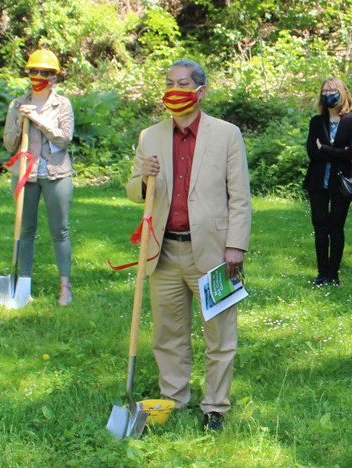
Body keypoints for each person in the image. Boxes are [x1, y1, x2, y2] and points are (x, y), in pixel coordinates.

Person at [126, 60, 252, 431]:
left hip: (213, 253)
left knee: (220, 335)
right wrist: (144, 180)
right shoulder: (150, 135)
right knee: (168, 333)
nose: (173, 89)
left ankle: (215, 405)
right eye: (168, 83)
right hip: (163, 251)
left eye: (182, 83)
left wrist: (236, 248)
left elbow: (240, 198)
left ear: (201, 90)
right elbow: (134, 191)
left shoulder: (227, 134)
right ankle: (174, 396)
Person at [3, 49, 75, 306]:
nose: (39, 76)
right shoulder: (16, 104)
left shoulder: (62, 104)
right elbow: (10, 144)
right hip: (25, 174)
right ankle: (24, 286)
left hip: (57, 174)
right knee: (26, 230)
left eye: (45, 72)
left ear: (54, 77)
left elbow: (64, 138)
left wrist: (38, 119)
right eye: (34, 71)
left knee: (60, 230)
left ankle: (65, 286)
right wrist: (20, 119)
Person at [303, 77, 352, 286]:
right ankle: (321, 273)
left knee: (336, 227)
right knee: (320, 226)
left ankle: (333, 274)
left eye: (333, 90)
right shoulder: (316, 121)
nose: (329, 94)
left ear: (343, 92)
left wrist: (325, 149)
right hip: (317, 181)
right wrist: (339, 152)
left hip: (341, 183)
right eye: (325, 91)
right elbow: (312, 153)